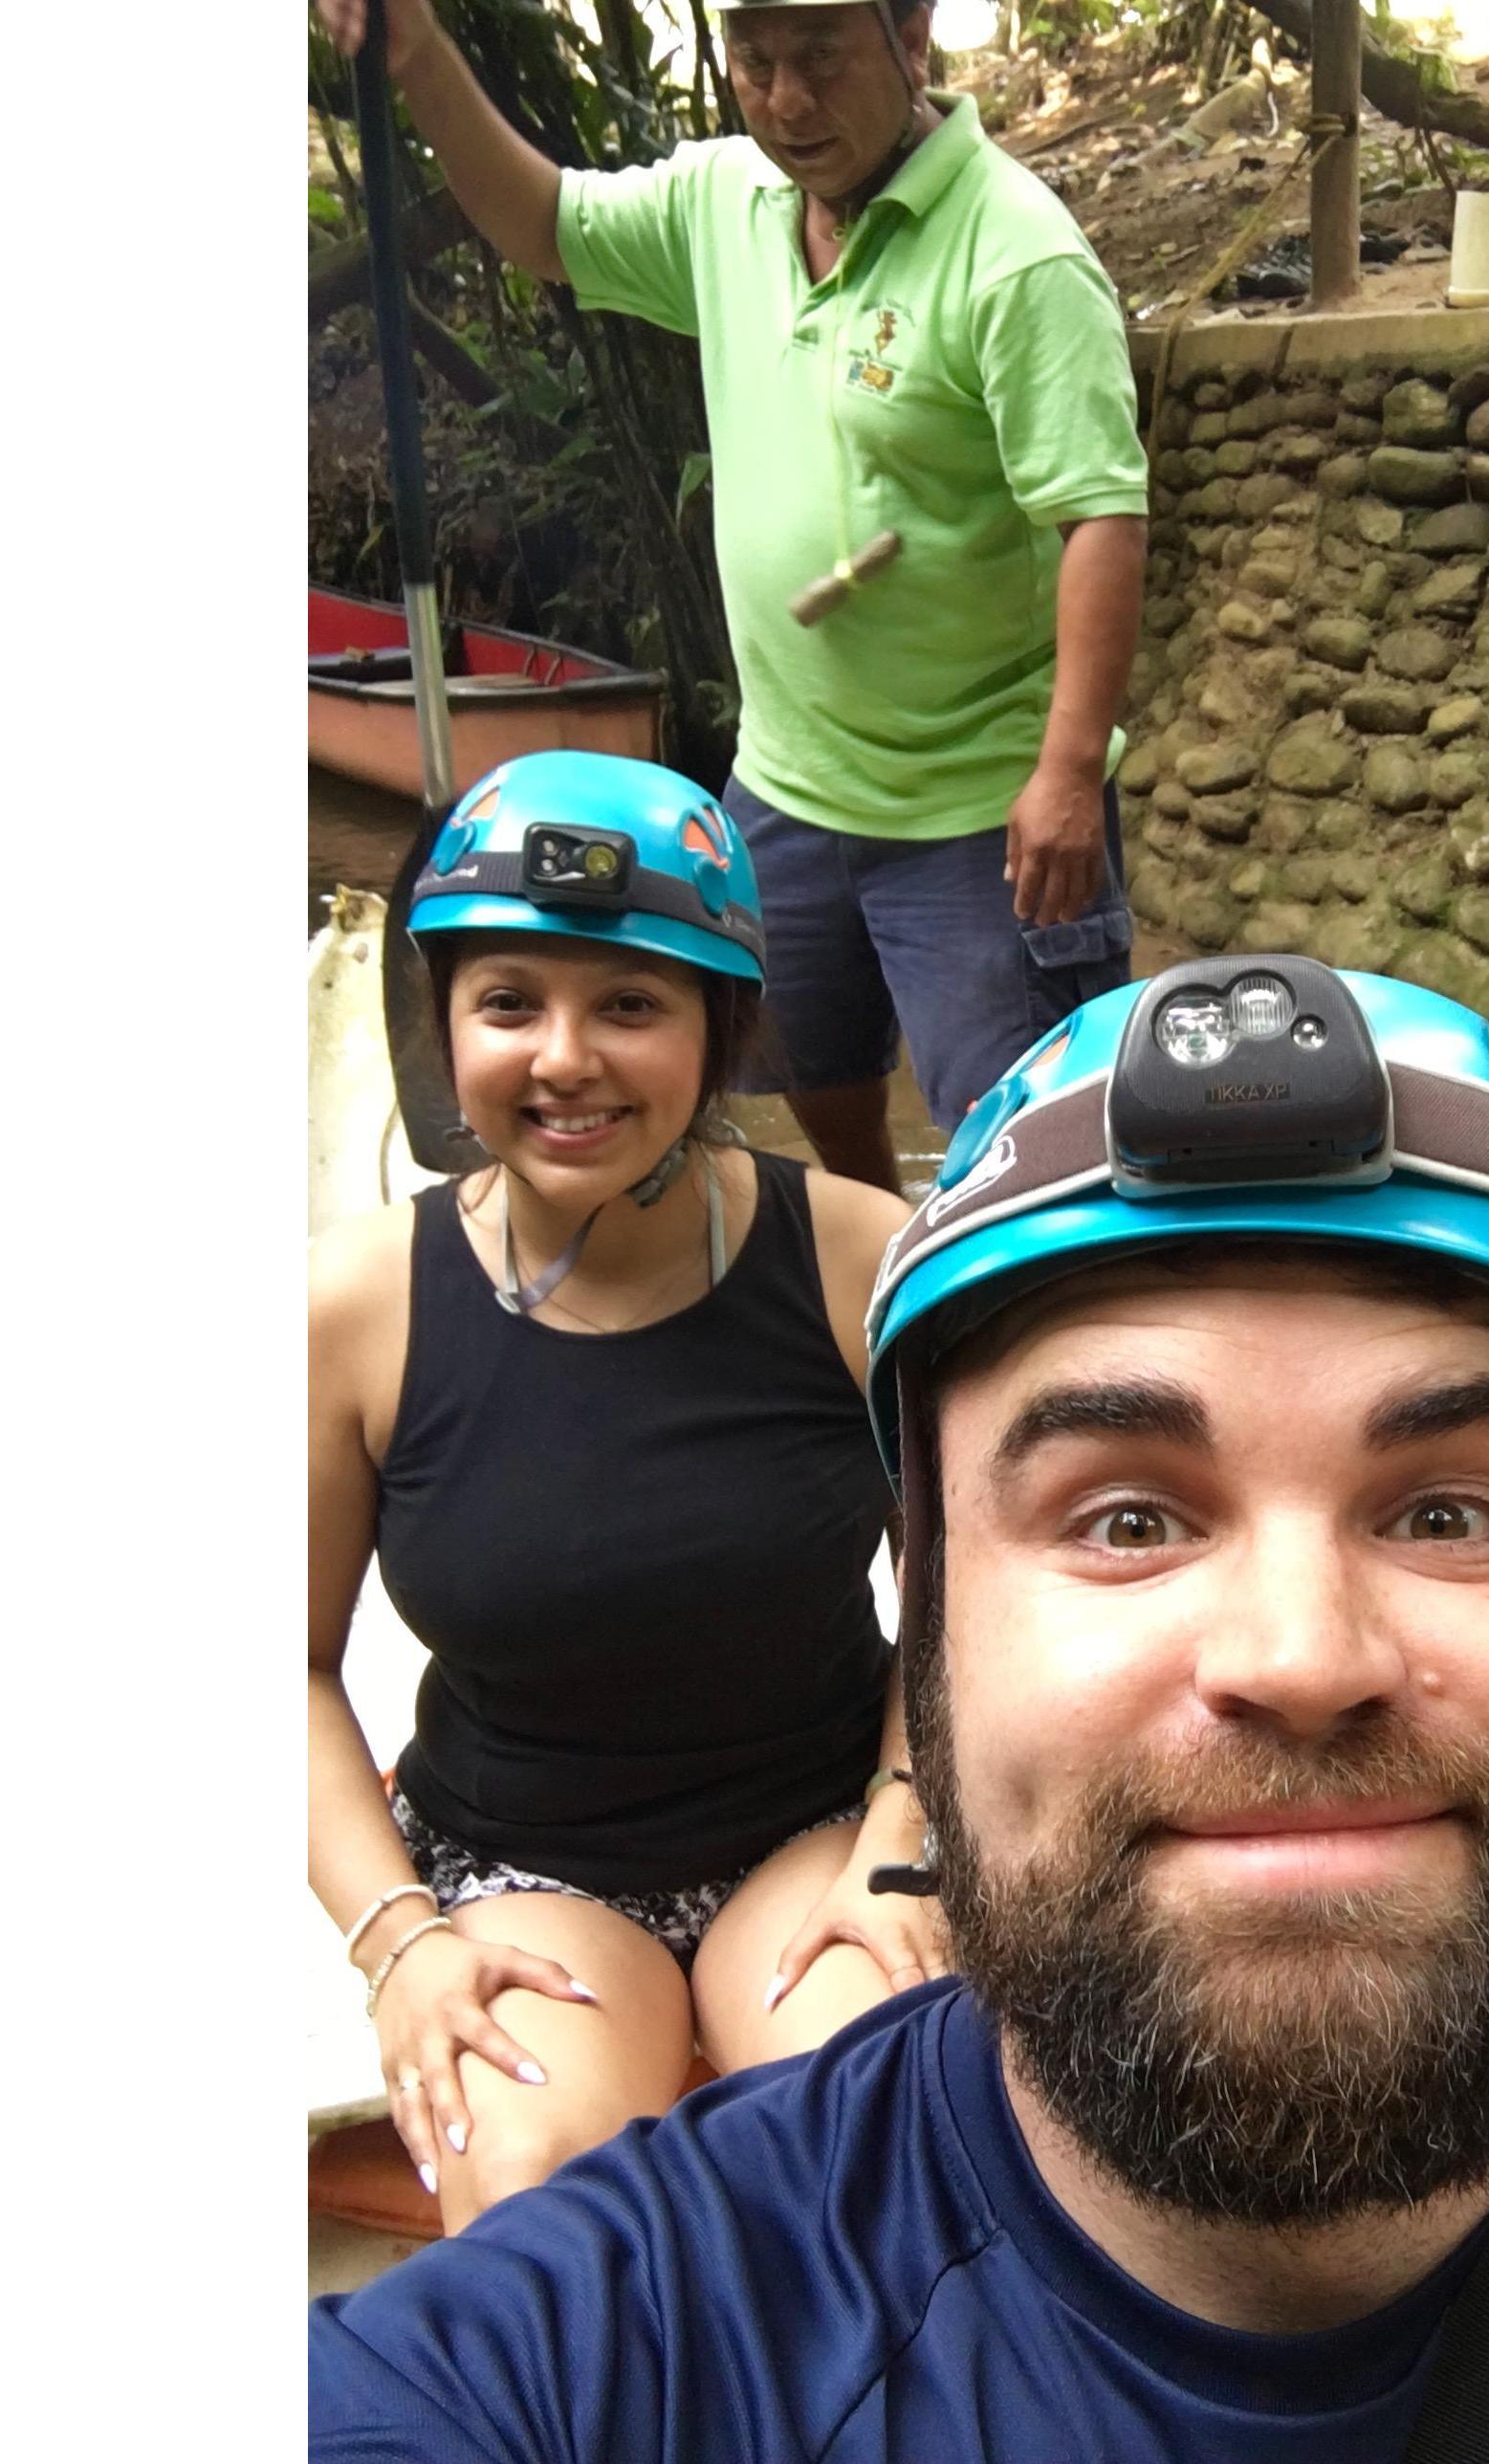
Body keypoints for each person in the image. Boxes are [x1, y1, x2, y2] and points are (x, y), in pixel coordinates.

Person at [311, 956, 1489, 2457]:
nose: (1297, 1651)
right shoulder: (581, 2349)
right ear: (934, 1638)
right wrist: (399, 1926)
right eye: (1124, 1517)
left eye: (1450, 1510)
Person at [315, 0, 1150, 1185]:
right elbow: (543, 221)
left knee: (1028, 1143)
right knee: (804, 1073)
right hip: (786, 783)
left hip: (976, 806)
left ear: (909, 37)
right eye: (754, 63)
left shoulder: (1017, 254)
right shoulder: (726, 203)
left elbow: (1099, 516)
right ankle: (872, 1262)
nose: (786, 100)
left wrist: (1066, 773)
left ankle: (993, 1322)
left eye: (820, 57)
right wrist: (422, 56)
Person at [309, 750, 939, 2232]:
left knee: (886, 2144)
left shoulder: (863, 1260)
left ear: (721, 1031)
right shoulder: (357, 1308)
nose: (566, 1059)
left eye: (633, 1004)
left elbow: (971, 1592)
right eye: (510, 1002)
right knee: (537, 2200)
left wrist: (907, 1831)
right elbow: (281, 1665)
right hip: (524, 1854)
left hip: (822, 1822)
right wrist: (400, 1940)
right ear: (446, 1026)